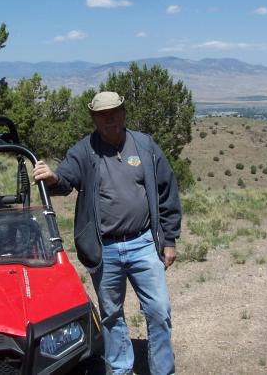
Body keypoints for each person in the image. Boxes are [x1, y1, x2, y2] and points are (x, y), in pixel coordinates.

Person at [32, 91, 181, 375]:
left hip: (143, 243)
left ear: (124, 113)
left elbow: (167, 191)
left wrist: (169, 239)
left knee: (159, 311)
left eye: (114, 112)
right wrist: (52, 178)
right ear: (94, 118)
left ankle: (162, 370)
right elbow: (65, 179)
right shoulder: (84, 150)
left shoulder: (145, 146)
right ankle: (121, 369)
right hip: (106, 248)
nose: (109, 119)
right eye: (102, 114)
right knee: (112, 316)